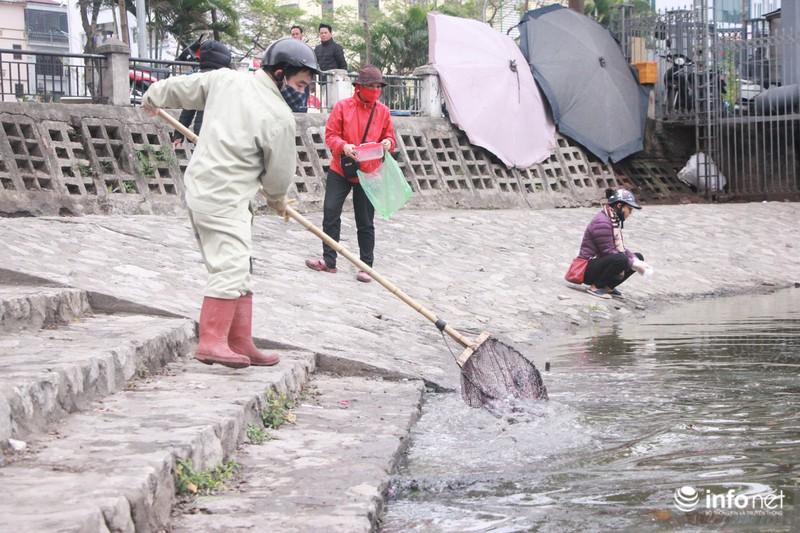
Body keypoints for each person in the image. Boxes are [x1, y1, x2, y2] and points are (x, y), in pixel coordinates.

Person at [141, 39, 319, 368]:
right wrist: (279, 200)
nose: (302, 92)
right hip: (223, 195)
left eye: (306, 87)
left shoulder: (227, 79)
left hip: (208, 190)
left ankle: (239, 341)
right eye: (299, 84)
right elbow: (278, 175)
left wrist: (153, 97)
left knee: (241, 269)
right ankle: (211, 341)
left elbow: (182, 87)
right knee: (231, 267)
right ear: (280, 74)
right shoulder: (280, 117)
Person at [305, 65, 396, 283]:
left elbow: (390, 138)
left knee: (365, 220)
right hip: (342, 167)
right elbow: (331, 135)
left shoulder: (383, 111)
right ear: (359, 87)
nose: (375, 90)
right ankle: (329, 260)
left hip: (368, 171)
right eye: (371, 86)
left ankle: (366, 266)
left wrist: (387, 143)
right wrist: (344, 146)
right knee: (330, 212)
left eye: (378, 86)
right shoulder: (342, 107)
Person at [576, 188, 650, 299]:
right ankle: (595, 287)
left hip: (599, 263)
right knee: (621, 259)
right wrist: (632, 263)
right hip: (586, 269)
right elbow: (608, 251)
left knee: (638, 257)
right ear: (619, 206)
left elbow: (621, 249)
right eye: (629, 209)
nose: (630, 213)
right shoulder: (602, 222)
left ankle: (607, 287)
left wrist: (636, 261)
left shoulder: (612, 220)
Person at [172, 40, 231, 147]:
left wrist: (178, 135)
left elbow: (188, 108)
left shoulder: (199, 80)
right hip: (219, 137)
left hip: (204, 136)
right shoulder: (230, 82)